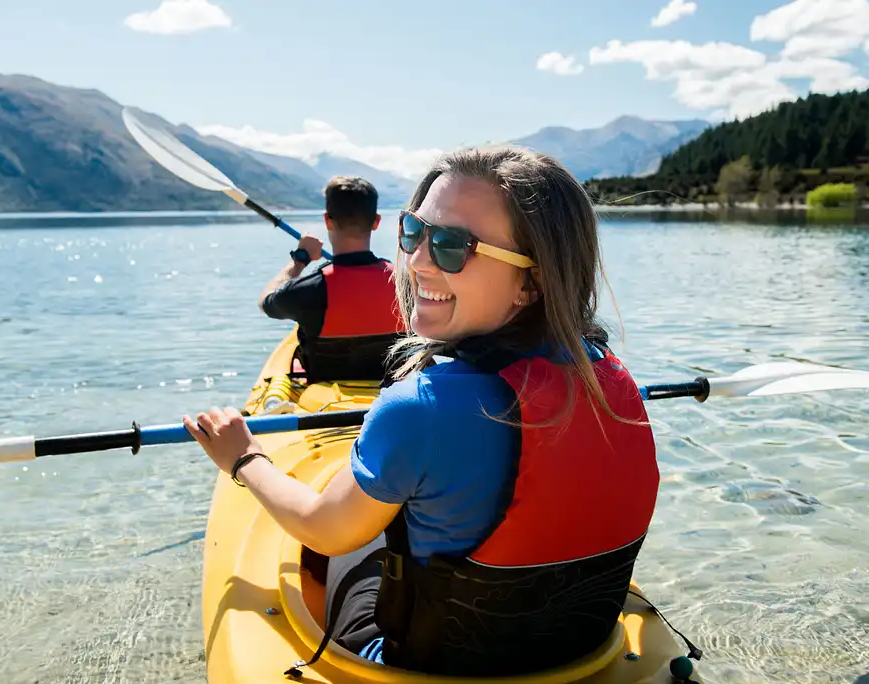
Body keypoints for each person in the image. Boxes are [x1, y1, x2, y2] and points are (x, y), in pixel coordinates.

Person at [185, 146, 661, 677]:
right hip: (579, 649)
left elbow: (324, 530)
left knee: (342, 555)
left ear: (533, 279)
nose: (416, 261)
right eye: (415, 232)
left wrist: (243, 457)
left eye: (453, 246)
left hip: (433, 659)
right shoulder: (614, 377)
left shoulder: (420, 407)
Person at [258, 175, 405, 383]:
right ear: (376, 221)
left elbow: (265, 301)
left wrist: (300, 260)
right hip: (394, 397)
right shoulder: (407, 283)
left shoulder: (307, 291)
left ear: (327, 220)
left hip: (326, 407)